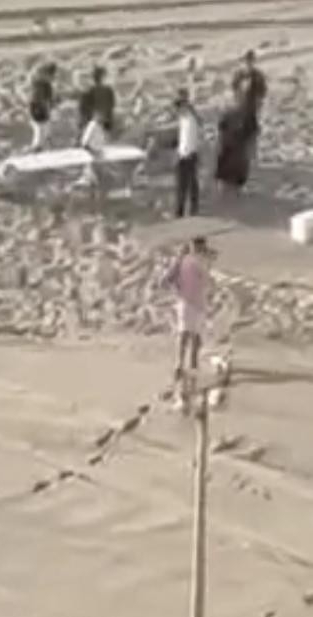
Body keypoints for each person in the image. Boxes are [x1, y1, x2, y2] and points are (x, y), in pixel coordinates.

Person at [163, 236, 213, 400]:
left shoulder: (185, 261)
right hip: (194, 302)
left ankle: (183, 364)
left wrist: (176, 289)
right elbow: (207, 282)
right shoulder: (194, 261)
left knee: (187, 334)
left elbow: (166, 280)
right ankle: (189, 365)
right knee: (191, 334)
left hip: (189, 301)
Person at [215, 85, 252, 195]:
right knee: (227, 161)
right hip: (231, 141)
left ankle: (234, 184)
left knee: (237, 162)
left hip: (236, 142)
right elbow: (221, 126)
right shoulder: (233, 113)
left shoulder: (242, 113)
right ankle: (225, 182)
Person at [232, 49, 267, 161]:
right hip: (241, 107)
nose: (249, 63)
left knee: (252, 132)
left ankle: (253, 156)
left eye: (251, 60)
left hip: (252, 109)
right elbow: (234, 89)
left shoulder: (258, 75)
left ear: (254, 61)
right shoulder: (239, 74)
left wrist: (259, 106)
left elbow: (262, 92)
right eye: (247, 60)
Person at [174, 89, 201, 217]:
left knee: (187, 184)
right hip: (185, 154)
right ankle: (185, 210)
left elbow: (189, 139)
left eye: (179, 106)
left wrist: (184, 153)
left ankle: (187, 210)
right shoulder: (185, 119)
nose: (178, 109)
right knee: (186, 184)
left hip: (188, 155)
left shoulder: (190, 120)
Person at [78, 65, 116, 136]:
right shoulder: (108, 90)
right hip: (101, 119)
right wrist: (109, 120)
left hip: (93, 119)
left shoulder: (89, 91)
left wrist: (83, 121)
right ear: (103, 77)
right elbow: (111, 106)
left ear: (94, 78)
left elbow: (83, 108)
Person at [28, 62, 58, 151]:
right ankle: (39, 147)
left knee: (42, 128)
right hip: (39, 107)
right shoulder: (42, 85)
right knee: (41, 128)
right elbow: (44, 99)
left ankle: (41, 146)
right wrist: (48, 108)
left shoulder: (41, 84)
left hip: (38, 106)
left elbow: (46, 99)